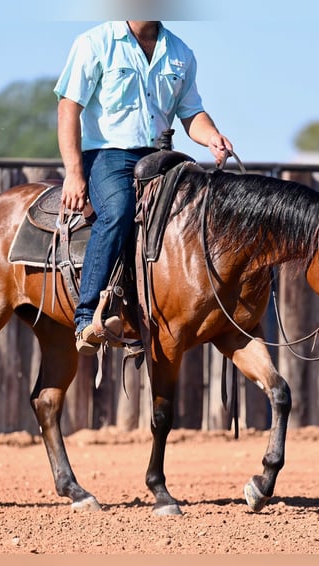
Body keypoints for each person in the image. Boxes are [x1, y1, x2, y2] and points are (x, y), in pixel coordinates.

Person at [54, 20, 233, 355]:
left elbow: (191, 113)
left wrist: (212, 137)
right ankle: (87, 316)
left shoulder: (180, 52)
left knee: (192, 215)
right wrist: (74, 172)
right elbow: (68, 108)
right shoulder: (95, 42)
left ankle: (152, 309)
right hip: (107, 155)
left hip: (159, 156)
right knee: (119, 210)